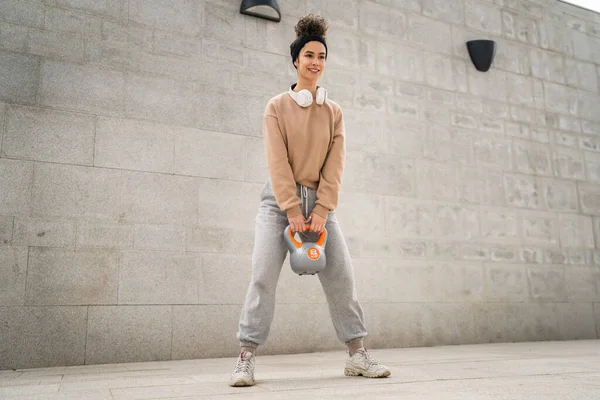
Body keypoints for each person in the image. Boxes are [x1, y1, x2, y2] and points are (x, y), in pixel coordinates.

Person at [229, 14, 391, 387]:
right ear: (295, 61)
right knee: (262, 277)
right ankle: (245, 358)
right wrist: (290, 209)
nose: (316, 62)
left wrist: (320, 209)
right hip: (277, 205)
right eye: (309, 55)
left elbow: (336, 163)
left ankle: (357, 355)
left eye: (321, 56)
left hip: (320, 206)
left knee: (342, 279)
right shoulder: (276, 107)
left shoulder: (333, 112)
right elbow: (277, 162)